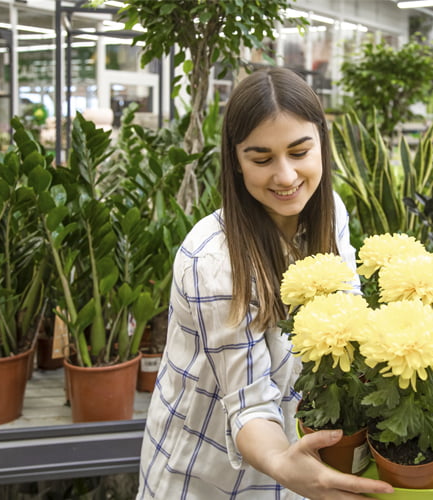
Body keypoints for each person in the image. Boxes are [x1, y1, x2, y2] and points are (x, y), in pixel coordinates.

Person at [137, 67, 394, 500]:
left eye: (299, 152)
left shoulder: (330, 212)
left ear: (322, 148)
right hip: (207, 476)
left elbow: (349, 319)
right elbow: (249, 402)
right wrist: (281, 462)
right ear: (236, 163)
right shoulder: (214, 259)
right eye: (261, 159)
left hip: (297, 462)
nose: (287, 176)